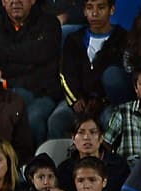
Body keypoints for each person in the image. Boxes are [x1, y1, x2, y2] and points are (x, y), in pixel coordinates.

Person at [0, 0, 61, 147]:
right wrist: (29, 61)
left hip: (41, 93)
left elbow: (44, 60)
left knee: (32, 119)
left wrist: (1, 54)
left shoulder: (49, 24)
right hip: (1, 94)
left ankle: (35, 166)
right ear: (3, 2)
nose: (15, 2)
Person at [49, 0, 128, 139]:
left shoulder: (124, 38)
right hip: (77, 100)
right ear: (84, 11)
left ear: (112, 9)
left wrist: (101, 100)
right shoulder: (73, 39)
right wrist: (75, 100)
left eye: (101, 7)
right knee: (57, 120)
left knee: (112, 121)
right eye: (90, 8)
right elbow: (65, 74)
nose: (95, 13)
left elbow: (123, 78)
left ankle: (109, 160)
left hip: (107, 103)